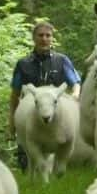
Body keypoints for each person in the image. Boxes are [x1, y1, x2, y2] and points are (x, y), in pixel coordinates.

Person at [9, 22, 81, 167]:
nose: (44, 39)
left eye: (48, 35)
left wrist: (75, 94)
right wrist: (11, 123)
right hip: (30, 114)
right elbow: (15, 94)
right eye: (40, 35)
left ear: (52, 38)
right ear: (34, 38)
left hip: (56, 115)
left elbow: (75, 84)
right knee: (27, 161)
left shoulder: (61, 60)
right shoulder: (23, 64)